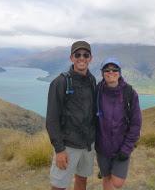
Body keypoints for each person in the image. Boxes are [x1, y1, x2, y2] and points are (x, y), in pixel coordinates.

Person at [46, 41, 96, 190]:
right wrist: (59, 149)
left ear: (90, 58)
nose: (82, 58)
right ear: (71, 58)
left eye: (85, 55)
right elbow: (52, 119)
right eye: (78, 55)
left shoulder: (92, 80)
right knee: (58, 185)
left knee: (81, 180)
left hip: (88, 144)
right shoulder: (60, 82)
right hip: (68, 146)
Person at [95, 57, 142, 190]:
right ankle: (105, 171)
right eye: (107, 70)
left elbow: (136, 124)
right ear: (102, 73)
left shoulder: (130, 93)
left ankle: (111, 170)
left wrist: (127, 148)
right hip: (102, 147)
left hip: (121, 147)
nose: (111, 72)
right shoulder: (98, 91)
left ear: (119, 72)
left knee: (117, 183)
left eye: (114, 69)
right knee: (106, 178)